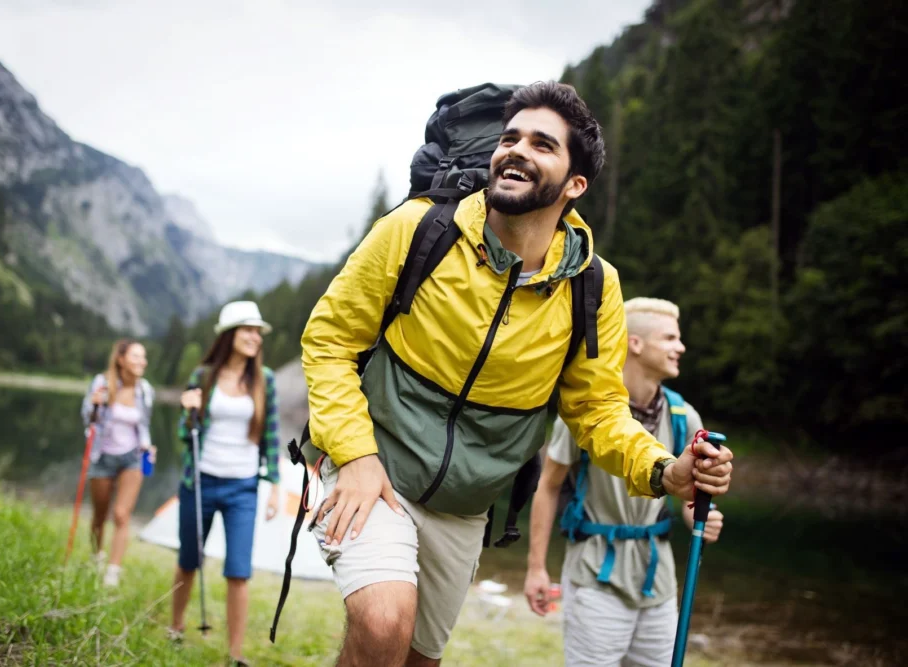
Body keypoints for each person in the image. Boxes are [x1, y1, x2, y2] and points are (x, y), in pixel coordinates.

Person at [297, 80, 734, 667]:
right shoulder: (418, 228)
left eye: (542, 143)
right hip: (377, 468)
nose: (516, 150)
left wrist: (664, 470)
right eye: (510, 137)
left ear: (575, 185)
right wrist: (354, 455)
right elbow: (329, 340)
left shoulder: (592, 286)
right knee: (382, 624)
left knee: (418, 659)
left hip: (464, 506)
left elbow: (598, 411)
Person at [524, 296, 726, 666]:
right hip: (595, 574)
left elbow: (689, 497)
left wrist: (697, 515)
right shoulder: (588, 413)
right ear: (635, 343)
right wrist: (537, 567)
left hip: (658, 581)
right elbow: (548, 484)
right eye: (669, 338)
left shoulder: (684, 416)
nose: (680, 347)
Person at [168, 300, 281, 667]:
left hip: (243, 488)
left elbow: (272, 435)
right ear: (230, 334)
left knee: (238, 570)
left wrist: (275, 485)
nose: (254, 337)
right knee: (188, 560)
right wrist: (187, 412)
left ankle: (235, 655)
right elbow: (186, 436)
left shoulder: (265, 381)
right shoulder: (203, 377)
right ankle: (176, 626)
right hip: (199, 482)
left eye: (257, 331)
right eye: (247, 329)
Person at [80, 338, 155, 588]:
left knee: (122, 514)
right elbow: (87, 418)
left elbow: (144, 424)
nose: (141, 361)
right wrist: (95, 404)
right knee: (99, 515)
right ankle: (96, 556)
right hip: (102, 456)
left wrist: (148, 445)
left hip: (132, 458)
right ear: (121, 359)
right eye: (135, 356)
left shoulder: (145, 390)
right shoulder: (102, 383)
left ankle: (113, 571)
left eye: (143, 357)